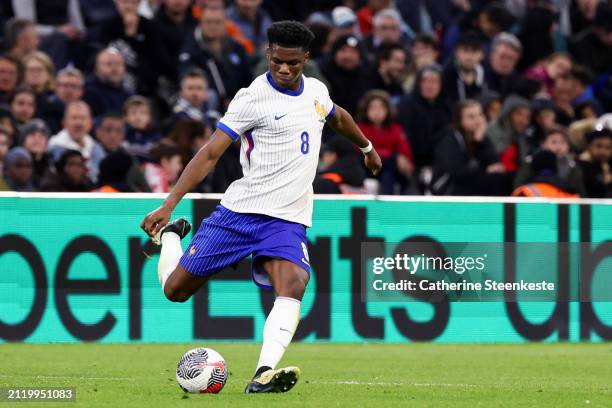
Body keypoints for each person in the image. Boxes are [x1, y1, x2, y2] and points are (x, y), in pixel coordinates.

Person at [140, 21, 381, 394]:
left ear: (306, 59)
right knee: (175, 290)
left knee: (294, 283)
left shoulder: (316, 91)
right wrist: (169, 205)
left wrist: (366, 148)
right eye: (278, 62)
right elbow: (209, 155)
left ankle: (263, 373)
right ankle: (172, 238)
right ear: (268, 54)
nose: (285, 70)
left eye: (293, 64)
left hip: (287, 219)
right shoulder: (251, 98)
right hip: (239, 213)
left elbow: (339, 117)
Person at [356, 89, 413, 194]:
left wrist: (399, 159)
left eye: (381, 107)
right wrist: (389, 155)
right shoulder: (360, 128)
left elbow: (405, 155)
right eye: (372, 107)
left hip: (390, 170)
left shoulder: (395, 129)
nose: (377, 112)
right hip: (367, 167)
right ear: (365, 110)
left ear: (388, 110)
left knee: (389, 169)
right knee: (390, 161)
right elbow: (358, 151)